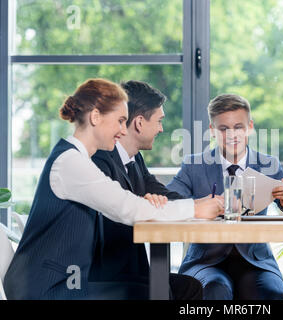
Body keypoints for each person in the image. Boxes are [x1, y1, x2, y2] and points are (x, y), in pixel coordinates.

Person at [3, 78, 223, 300]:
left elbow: (127, 203)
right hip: (49, 288)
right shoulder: (70, 163)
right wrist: (194, 208)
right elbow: (128, 208)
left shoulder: (78, 159)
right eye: (119, 121)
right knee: (157, 292)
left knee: (169, 289)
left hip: (67, 280)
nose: (122, 130)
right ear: (96, 117)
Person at [166, 93, 283, 300]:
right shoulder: (194, 165)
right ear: (212, 131)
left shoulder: (268, 165)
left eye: (238, 127)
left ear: (250, 127)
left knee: (273, 295)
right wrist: (201, 205)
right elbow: (169, 199)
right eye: (223, 129)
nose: (232, 135)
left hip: (255, 260)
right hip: (205, 260)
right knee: (215, 291)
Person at [89, 80, 204, 299]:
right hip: (105, 277)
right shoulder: (100, 161)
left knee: (190, 287)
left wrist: (200, 205)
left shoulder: (133, 159)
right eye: (159, 121)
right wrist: (149, 206)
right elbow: (118, 218)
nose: (161, 128)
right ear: (139, 123)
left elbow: (162, 193)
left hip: (130, 269)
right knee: (165, 291)